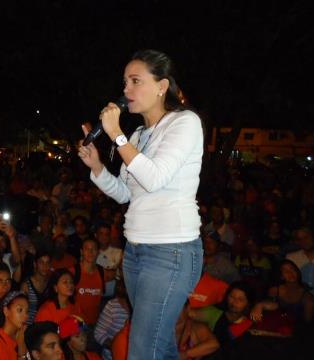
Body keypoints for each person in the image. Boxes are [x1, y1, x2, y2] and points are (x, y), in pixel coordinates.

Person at [78, 49, 204, 359]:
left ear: (162, 86)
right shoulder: (138, 135)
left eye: (136, 81)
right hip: (136, 252)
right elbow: (126, 193)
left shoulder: (184, 123)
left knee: (142, 349)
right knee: (159, 345)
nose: (126, 90)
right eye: (124, 82)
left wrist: (117, 135)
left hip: (170, 252)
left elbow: (156, 178)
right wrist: (97, 167)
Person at [0, 290, 29, 360]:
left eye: (27, 311)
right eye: (20, 310)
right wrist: (21, 352)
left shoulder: (21, 334)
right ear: (6, 311)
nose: (25, 316)